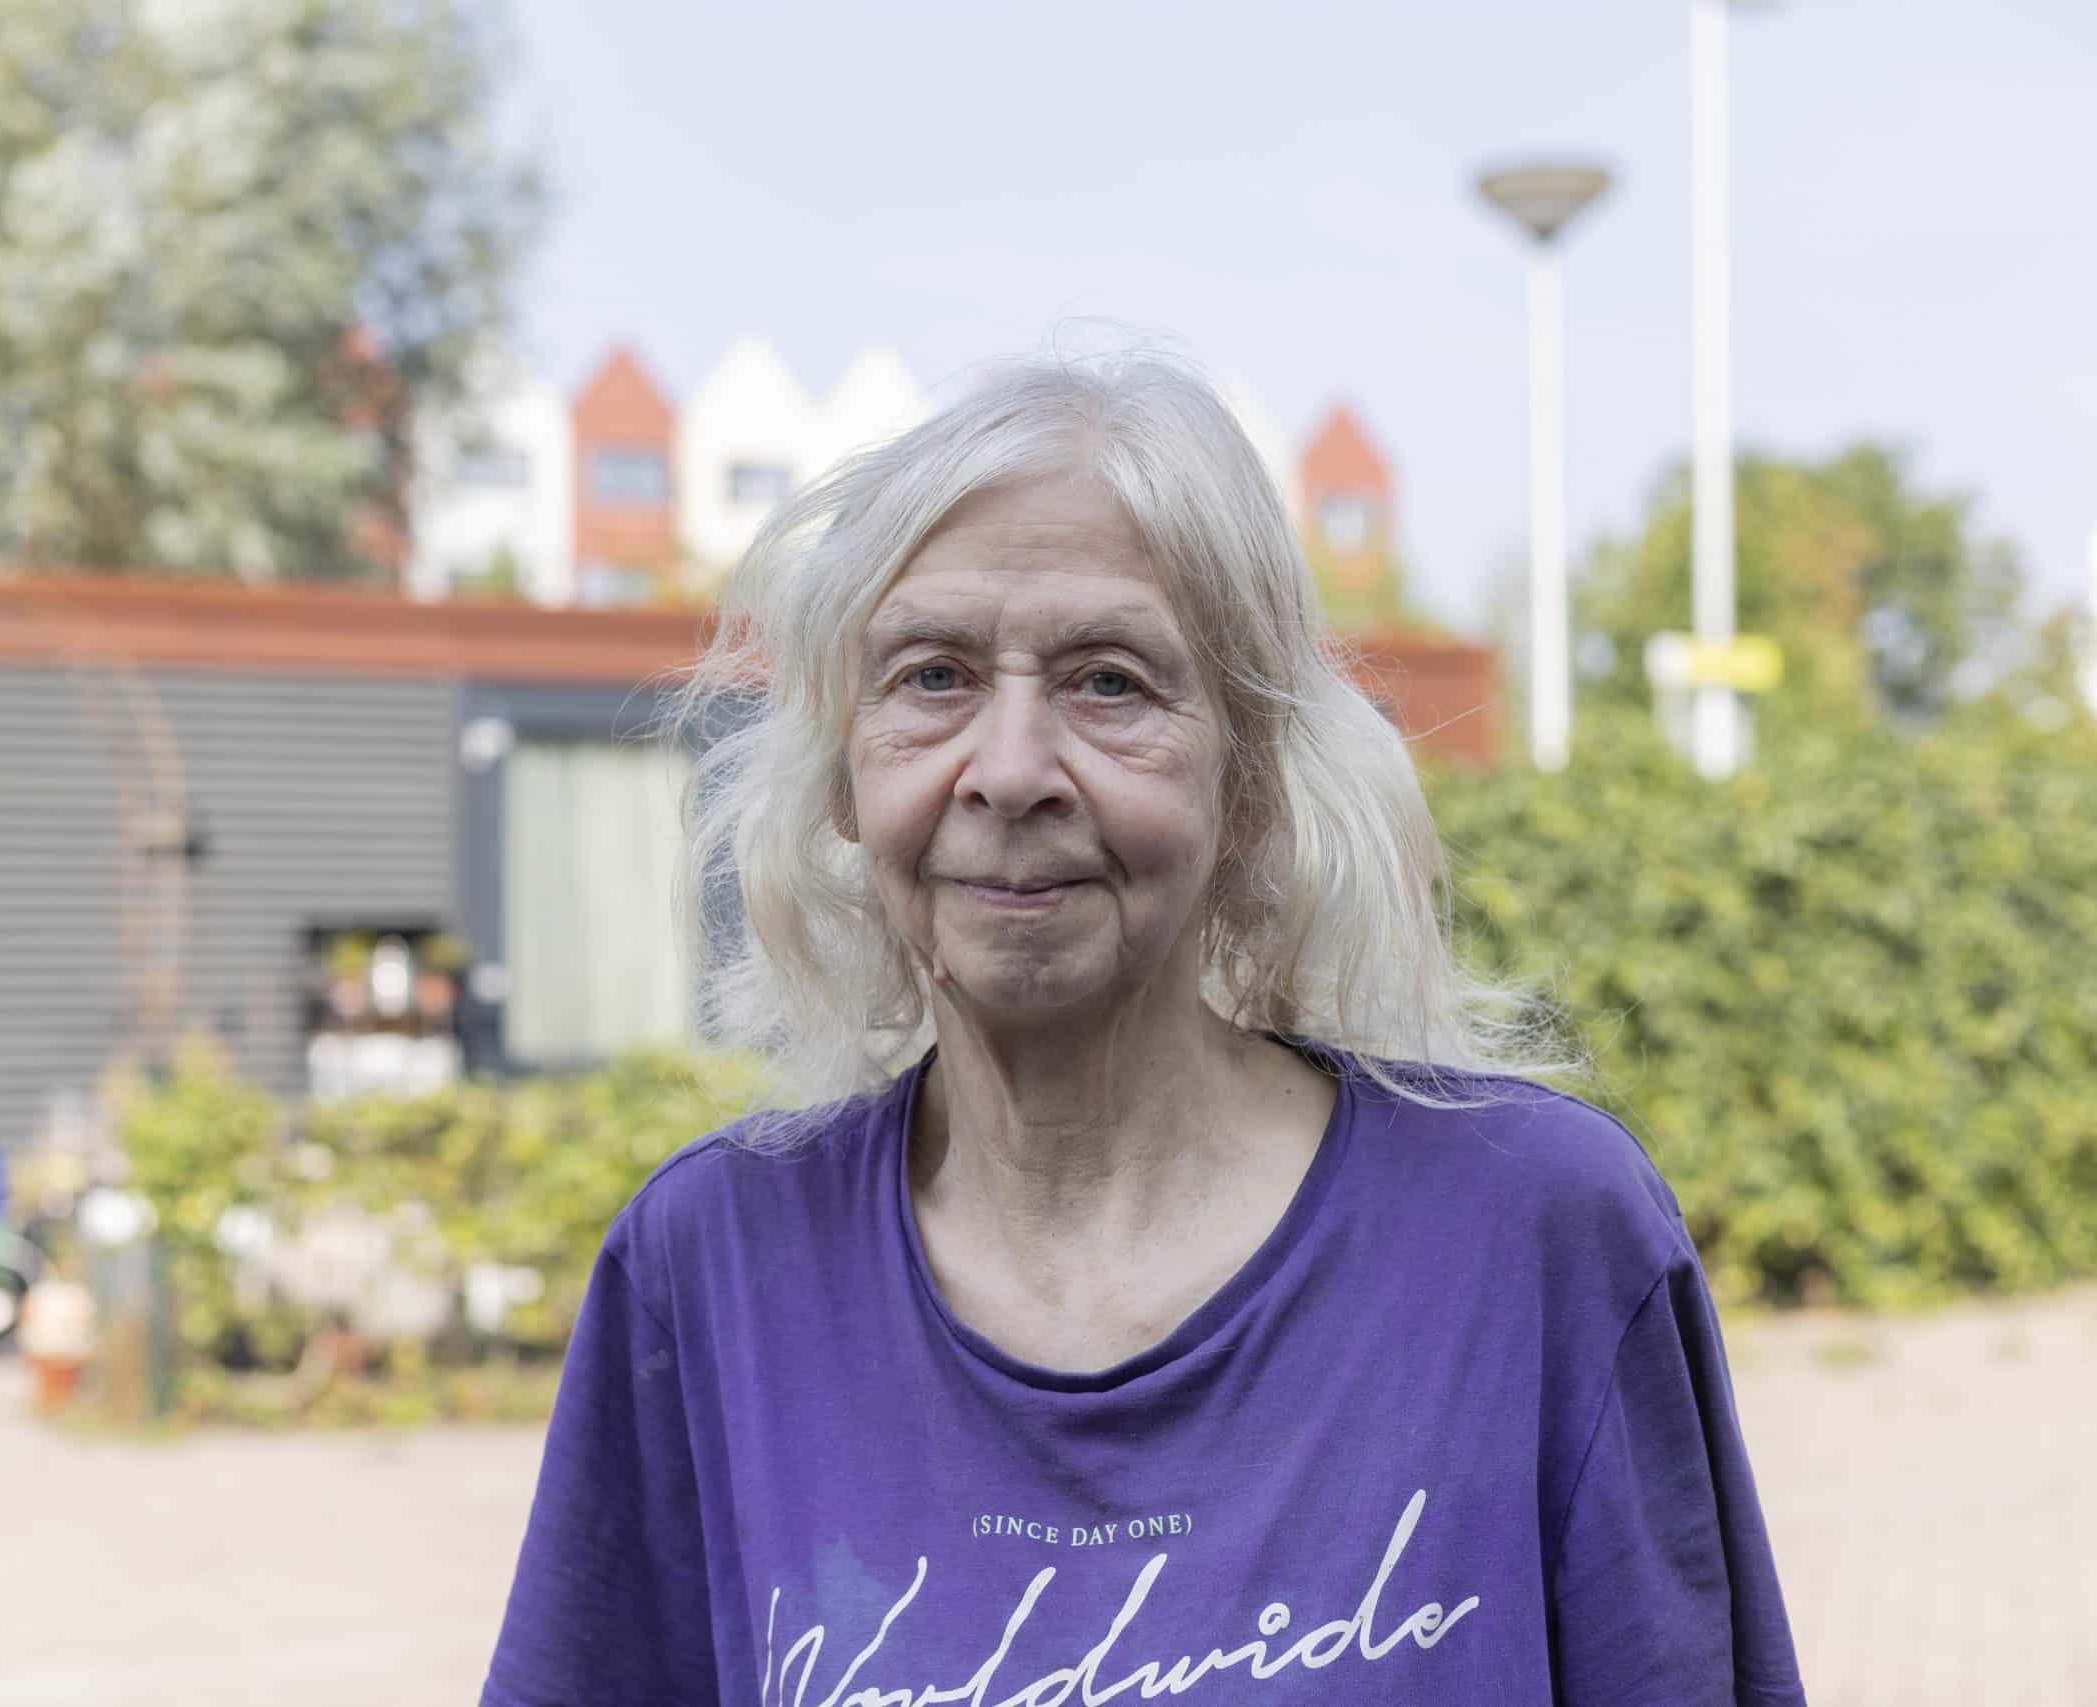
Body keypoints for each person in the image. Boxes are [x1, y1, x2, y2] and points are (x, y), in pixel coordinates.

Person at [481, 346, 1807, 1705]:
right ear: (842, 776)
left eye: (1109, 681)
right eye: (931, 677)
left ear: (1253, 784)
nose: (1009, 773)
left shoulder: (1536, 1240)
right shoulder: (712, 1273)